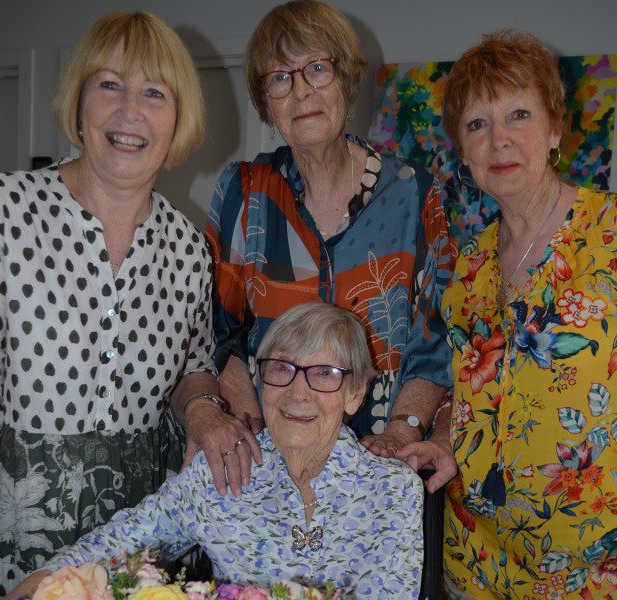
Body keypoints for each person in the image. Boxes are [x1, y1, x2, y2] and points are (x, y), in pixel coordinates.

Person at [0, 11, 222, 594]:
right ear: (79, 102)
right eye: (109, 84)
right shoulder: (0, 212)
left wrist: (203, 409)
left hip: (134, 564)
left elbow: (195, 368)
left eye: (154, 93)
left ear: (178, 120)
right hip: (12, 558)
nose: (129, 111)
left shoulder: (190, 249)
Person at [182, 0, 456, 500]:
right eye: (280, 78)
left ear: (346, 82)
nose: (301, 90)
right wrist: (248, 425)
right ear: (266, 104)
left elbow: (435, 339)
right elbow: (221, 333)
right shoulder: (245, 192)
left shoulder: (412, 192)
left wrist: (401, 431)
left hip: (381, 471)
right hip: (266, 474)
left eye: (316, 69)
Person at [7, 303, 425, 599]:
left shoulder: (392, 491)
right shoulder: (225, 470)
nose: (299, 392)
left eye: (325, 374)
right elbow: (119, 542)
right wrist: (40, 584)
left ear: (355, 394)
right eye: (281, 368)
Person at [436, 30, 617, 598]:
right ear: (463, 151)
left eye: (518, 114)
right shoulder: (466, 270)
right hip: (478, 560)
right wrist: (440, 436)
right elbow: (461, 397)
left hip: (598, 563)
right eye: (477, 124)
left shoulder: (615, 232)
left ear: (553, 130)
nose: (499, 141)